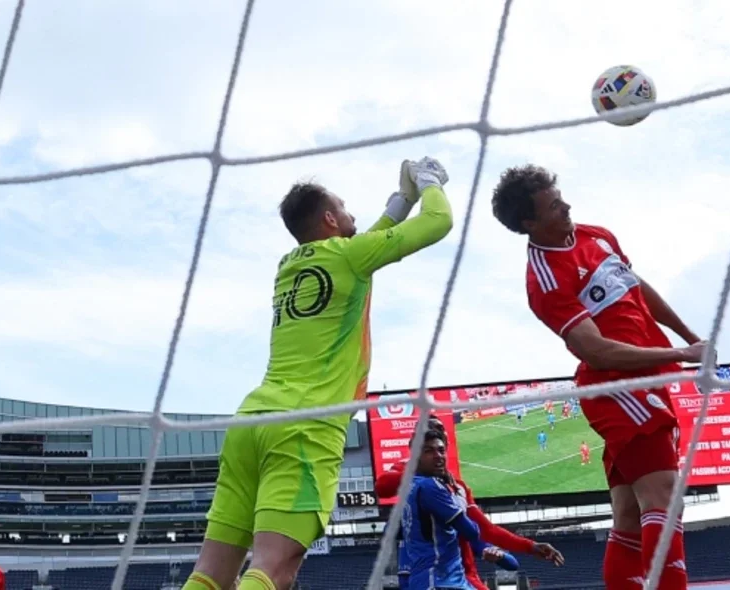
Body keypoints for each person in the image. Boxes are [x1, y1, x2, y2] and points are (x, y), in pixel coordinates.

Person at [184, 158, 455, 590]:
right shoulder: (351, 256)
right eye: (344, 208)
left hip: (252, 423)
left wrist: (400, 202)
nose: (352, 215)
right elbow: (439, 221)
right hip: (305, 429)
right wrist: (428, 182)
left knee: (210, 575)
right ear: (330, 218)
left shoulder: (289, 265)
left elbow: (365, 243)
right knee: (273, 569)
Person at [491, 164, 708, 590]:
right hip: (615, 387)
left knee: (629, 514)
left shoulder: (597, 235)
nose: (567, 205)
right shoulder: (545, 280)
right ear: (529, 223)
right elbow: (596, 349)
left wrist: (690, 336)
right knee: (666, 498)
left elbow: (635, 286)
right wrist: (683, 353)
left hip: (647, 382)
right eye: (554, 206)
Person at [377, 417, 565, 590]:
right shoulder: (414, 477)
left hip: (459, 575)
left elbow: (486, 531)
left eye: (440, 433)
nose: (435, 434)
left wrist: (530, 546)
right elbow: (382, 488)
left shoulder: (457, 487)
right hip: (430, 574)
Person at [402, 429, 521, 590]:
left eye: (441, 450)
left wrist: (493, 552)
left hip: (434, 580)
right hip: (440, 581)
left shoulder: (409, 488)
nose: (438, 456)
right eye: (428, 451)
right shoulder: (431, 486)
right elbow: (471, 532)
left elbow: (512, 563)